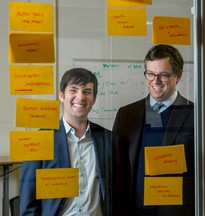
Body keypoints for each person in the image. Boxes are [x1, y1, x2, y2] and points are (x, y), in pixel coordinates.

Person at [113, 44, 194, 216]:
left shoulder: (196, 115)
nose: (155, 81)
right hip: (134, 211)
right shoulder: (126, 115)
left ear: (178, 76)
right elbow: (118, 169)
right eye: (150, 74)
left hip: (177, 211)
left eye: (163, 75)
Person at [20, 68, 115, 216]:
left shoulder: (109, 140)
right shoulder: (40, 141)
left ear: (94, 99)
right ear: (61, 95)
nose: (80, 97)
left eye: (87, 91)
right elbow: (29, 204)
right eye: (74, 90)